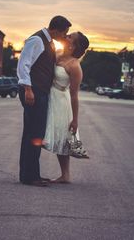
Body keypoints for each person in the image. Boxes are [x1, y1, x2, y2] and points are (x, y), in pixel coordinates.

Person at [17, 15, 72, 187]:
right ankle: (29, 177)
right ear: (55, 29)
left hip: (39, 92)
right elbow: (23, 64)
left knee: (34, 133)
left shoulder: (49, 42)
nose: (64, 36)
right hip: (33, 92)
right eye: (64, 33)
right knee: (34, 134)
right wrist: (28, 89)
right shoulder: (36, 40)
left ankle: (32, 174)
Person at [44, 31, 89, 183]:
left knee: (62, 138)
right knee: (47, 132)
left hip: (61, 102)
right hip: (48, 96)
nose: (67, 35)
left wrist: (75, 120)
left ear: (73, 45)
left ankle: (65, 175)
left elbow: (75, 95)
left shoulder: (75, 66)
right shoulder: (56, 54)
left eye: (70, 36)